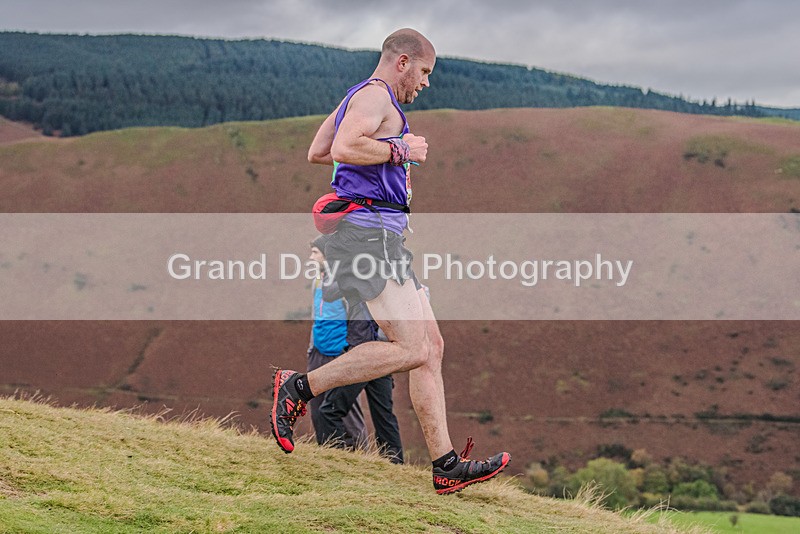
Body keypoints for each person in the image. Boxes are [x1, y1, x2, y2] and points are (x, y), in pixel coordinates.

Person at [270, 28, 509, 495]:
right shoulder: (377, 98)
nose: (424, 83)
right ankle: (298, 388)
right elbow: (340, 150)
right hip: (368, 235)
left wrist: (380, 158)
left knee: (431, 346)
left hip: (383, 238)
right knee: (411, 347)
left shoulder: (358, 98)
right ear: (402, 62)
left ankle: (444, 466)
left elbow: (318, 150)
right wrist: (402, 150)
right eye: (423, 72)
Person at [306, 234, 368, 450]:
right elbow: (317, 315)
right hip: (318, 352)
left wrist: (350, 353)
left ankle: (361, 456)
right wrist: (312, 348)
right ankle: (328, 453)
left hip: (340, 353)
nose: (311, 257)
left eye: (315, 253)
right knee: (317, 408)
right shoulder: (318, 281)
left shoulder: (344, 283)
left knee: (347, 413)